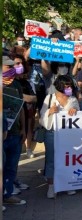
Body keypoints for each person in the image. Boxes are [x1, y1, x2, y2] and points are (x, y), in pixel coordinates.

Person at [39, 75, 79, 198]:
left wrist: (74, 111)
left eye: (70, 86)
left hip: (68, 135)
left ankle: (67, 184)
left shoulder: (73, 99)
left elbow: (79, 115)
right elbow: (41, 118)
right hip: (51, 133)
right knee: (51, 160)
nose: (69, 88)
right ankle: (51, 186)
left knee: (67, 159)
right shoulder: (49, 98)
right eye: (67, 86)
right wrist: (49, 112)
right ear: (60, 86)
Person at [3, 56, 27, 205]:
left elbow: (20, 107)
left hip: (15, 133)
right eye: (8, 67)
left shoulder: (16, 84)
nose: (12, 69)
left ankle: (8, 195)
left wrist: (23, 128)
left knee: (11, 167)